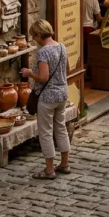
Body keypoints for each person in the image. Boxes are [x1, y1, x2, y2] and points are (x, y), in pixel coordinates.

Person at [20, 19, 70, 180]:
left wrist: (29, 73)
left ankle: (49, 170)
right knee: (61, 128)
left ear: (40, 34)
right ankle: (64, 163)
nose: (34, 39)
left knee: (46, 133)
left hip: (48, 97)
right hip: (62, 94)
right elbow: (66, 69)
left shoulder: (44, 52)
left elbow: (43, 77)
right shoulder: (62, 47)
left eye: (34, 36)